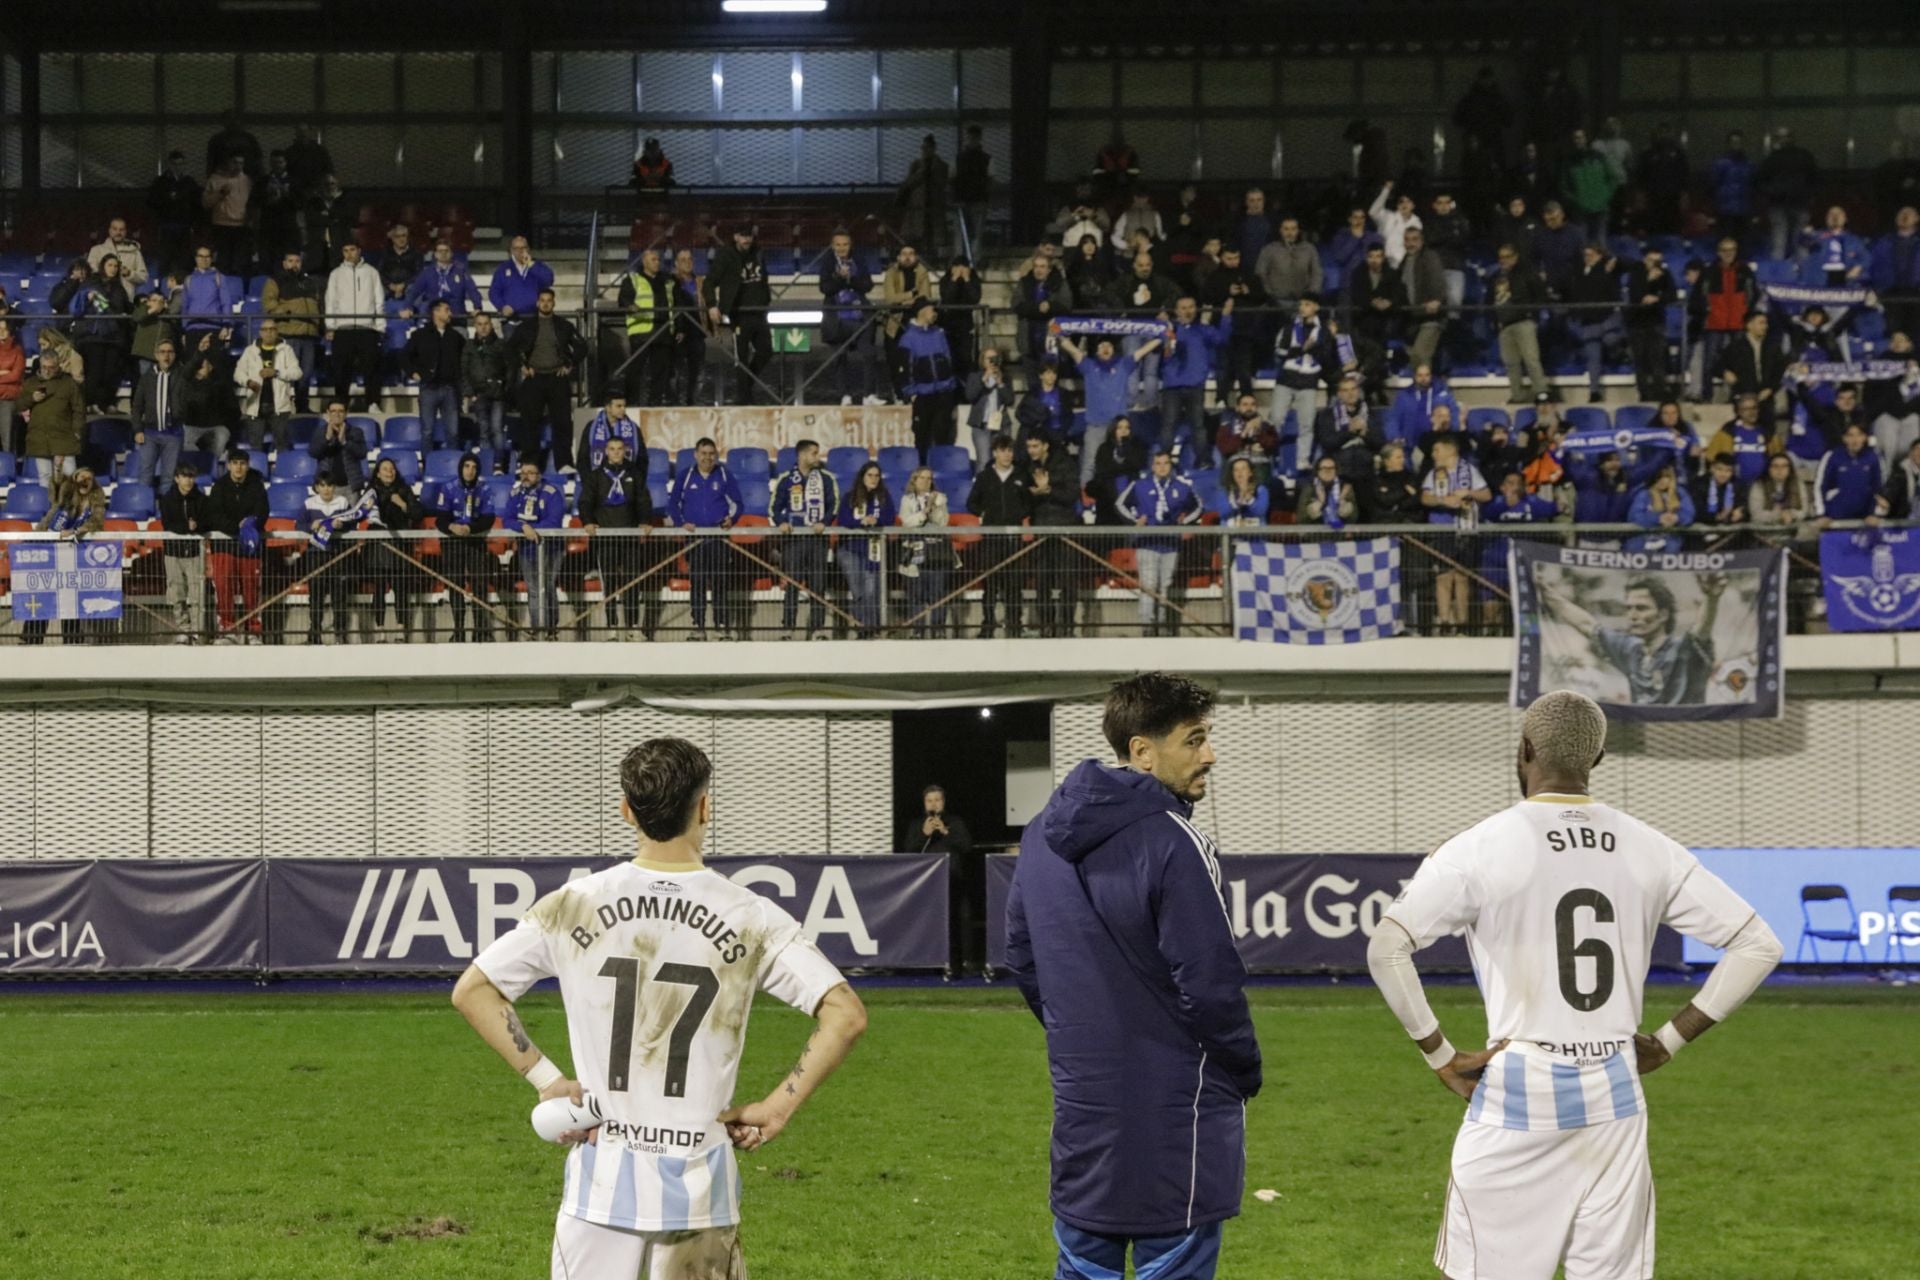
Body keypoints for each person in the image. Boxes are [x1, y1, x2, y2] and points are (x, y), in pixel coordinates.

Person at [1367, 688, 1781, 1280]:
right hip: (1614, 1093)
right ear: (1600, 756)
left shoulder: (1479, 847)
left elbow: (1387, 947)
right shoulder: (1649, 847)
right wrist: (1669, 1039)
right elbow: (1758, 943)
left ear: (1526, 747)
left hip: (1517, 1091)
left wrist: (1439, 1054)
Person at [452, 735, 865, 1280]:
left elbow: (473, 991)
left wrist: (547, 1079)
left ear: (627, 811)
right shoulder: (751, 915)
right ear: (704, 807)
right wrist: (778, 1106)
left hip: (600, 1193)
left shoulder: (572, 905)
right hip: (699, 1196)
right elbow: (845, 1013)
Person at [1007, 672, 1257, 1280]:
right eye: (1194, 740)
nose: (1209, 755)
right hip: (1176, 1109)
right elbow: (1209, 981)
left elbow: (1020, 953)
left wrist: (1078, 1029)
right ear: (1143, 751)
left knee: (1082, 1263)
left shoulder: (1040, 833)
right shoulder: (1174, 839)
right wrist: (1243, 1068)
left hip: (1083, 1103)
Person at [1117, 448, 1201, 637]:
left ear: (1171, 466)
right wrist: (1134, 521)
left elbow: (1198, 506)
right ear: (1152, 466)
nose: (1162, 467)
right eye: (1158, 463)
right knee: (1148, 585)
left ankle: (1163, 627)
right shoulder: (1139, 485)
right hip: (1146, 541)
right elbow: (1120, 503)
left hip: (1170, 543)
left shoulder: (1182, 487)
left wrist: (1185, 522)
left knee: (1165, 585)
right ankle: (1147, 627)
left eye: (1166, 463)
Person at [505, 288, 588, 473]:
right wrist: (522, 365)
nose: (545, 303)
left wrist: (570, 364)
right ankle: (529, 462)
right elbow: (510, 348)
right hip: (534, 379)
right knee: (529, 423)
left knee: (563, 422)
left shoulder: (564, 325)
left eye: (549, 300)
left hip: (557, 378)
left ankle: (564, 463)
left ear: (554, 303)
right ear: (537, 303)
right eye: (542, 300)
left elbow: (582, 347)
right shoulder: (526, 326)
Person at [578, 434, 652, 640]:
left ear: (625, 450)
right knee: (609, 583)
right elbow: (585, 502)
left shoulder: (635, 473)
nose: (616, 453)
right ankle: (611, 626)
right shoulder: (595, 475)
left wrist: (645, 520)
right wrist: (587, 521)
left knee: (632, 582)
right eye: (612, 449)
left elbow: (643, 499)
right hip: (606, 538)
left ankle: (633, 626)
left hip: (629, 537)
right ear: (606, 451)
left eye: (620, 449)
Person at [670, 438, 745, 642]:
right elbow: (673, 504)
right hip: (695, 541)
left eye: (711, 453)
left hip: (719, 540)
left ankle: (721, 626)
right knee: (698, 583)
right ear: (696, 454)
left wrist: (732, 520)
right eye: (703, 453)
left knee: (720, 583)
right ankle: (698, 626)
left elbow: (738, 503)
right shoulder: (685, 476)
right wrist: (682, 523)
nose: (707, 457)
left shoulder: (723, 474)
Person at [770, 440, 840, 641]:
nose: (818, 457)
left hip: (818, 541)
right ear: (801, 455)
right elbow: (774, 507)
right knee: (792, 585)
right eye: (814, 453)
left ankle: (817, 629)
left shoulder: (826, 478)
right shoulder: (786, 479)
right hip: (794, 540)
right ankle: (788, 629)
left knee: (818, 585)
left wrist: (825, 521)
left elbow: (833, 505)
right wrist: (781, 522)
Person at [1421, 434, 1490, 635]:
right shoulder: (1434, 473)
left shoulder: (1469, 471)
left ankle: (1462, 623)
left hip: (1466, 529)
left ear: (1450, 450)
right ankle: (1444, 622)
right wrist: (1443, 501)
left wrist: (1468, 493)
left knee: (1462, 577)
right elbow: (1425, 497)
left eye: (1437, 450)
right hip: (1442, 530)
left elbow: (1486, 494)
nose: (1433, 454)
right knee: (1443, 576)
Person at [966, 434, 1030, 638]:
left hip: (1013, 538)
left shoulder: (1021, 475)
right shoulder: (985, 477)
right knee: (990, 585)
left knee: (1014, 584)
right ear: (994, 453)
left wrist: (1018, 514)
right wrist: (983, 514)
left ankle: (1014, 625)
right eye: (1003, 450)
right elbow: (972, 503)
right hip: (992, 539)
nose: (1007, 455)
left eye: (1010, 450)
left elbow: (1029, 501)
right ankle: (988, 625)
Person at [203, 448, 269, 642]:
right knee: (224, 589)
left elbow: (263, 513)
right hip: (224, 548)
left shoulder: (257, 486)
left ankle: (253, 631)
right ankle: (226, 630)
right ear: (229, 465)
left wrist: (251, 525)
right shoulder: (219, 487)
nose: (239, 467)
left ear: (247, 466)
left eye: (242, 463)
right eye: (235, 463)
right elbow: (214, 516)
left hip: (250, 548)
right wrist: (237, 527)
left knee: (251, 590)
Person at [1160, 296, 1233, 470]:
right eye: (1183, 308)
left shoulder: (1204, 330)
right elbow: (1162, 352)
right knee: (1169, 425)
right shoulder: (1169, 329)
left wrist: (1225, 316)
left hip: (1195, 385)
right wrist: (1162, 328)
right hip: (1172, 385)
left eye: (1191, 307)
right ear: (1177, 311)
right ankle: (1163, 462)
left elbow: (1222, 339)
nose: (1187, 311)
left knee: (1198, 426)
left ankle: (1204, 461)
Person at [705, 226, 773, 405]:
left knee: (766, 351)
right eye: (743, 236)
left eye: (749, 236)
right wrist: (712, 305)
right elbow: (709, 282)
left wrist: (766, 299)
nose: (747, 240)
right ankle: (744, 399)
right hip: (739, 313)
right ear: (735, 236)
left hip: (759, 311)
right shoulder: (726, 255)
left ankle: (745, 388)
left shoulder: (758, 253)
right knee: (741, 358)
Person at [438, 452, 502, 643]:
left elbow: (488, 518)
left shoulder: (485, 489)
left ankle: (480, 630)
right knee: (455, 586)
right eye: (466, 466)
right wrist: (452, 527)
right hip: (452, 542)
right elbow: (441, 518)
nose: (470, 471)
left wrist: (469, 528)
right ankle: (459, 631)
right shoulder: (448, 487)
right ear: (461, 468)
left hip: (475, 541)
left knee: (479, 586)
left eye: (474, 467)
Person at [1022, 433, 1080, 638]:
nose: (1031, 450)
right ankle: (1047, 624)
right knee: (1042, 580)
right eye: (1029, 446)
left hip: (1064, 529)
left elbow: (1072, 494)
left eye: (1035, 445)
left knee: (1067, 580)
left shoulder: (1066, 464)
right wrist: (1032, 493)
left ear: (1045, 445)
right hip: (1041, 529)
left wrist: (1048, 490)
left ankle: (1067, 625)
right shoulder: (1029, 467)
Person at [504, 459, 565, 638]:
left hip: (551, 549)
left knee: (547, 586)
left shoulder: (552, 492)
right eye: (523, 473)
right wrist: (523, 527)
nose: (526, 476)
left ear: (539, 475)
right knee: (533, 588)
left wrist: (533, 528)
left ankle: (551, 628)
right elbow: (507, 519)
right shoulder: (515, 492)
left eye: (530, 472)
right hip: (526, 549)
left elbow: (554, 520)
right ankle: (538, 627)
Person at [896, 467, 957, 638]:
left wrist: (934, 506)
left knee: (937, 593)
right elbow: (907, 522)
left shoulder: (940, 499)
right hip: (914, 552)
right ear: (914, 480)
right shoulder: (907, 500)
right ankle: (918, 630)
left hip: (936, 550)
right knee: (916, 594)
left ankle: (938, 630)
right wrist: (924, 511)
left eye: (929, 478)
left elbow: (942, 522)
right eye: (922, 478)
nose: (926, 481)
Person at [325, 241, 385, 413]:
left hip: (367, 328)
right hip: (343, 328)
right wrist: (331, 326)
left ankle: (373, 403)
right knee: (341, 370)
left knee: (371, 368)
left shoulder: (371, 272)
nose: (349, 253)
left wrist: (379, 326)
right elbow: (331, 301)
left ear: (359, 250)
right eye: (345, 250)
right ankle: (341, 404)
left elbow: (378, 300)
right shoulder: (336, 274)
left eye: (352, 250)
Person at [817, 231, 876, 405]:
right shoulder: (827, 262)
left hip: (859, 315)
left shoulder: (859, 259)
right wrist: (839, 278)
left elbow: (867, 285)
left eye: (845, 244)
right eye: (838, 244)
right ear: (832, 246)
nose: (842, 248)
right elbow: (825, 288)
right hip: (837, 317)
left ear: (851, 245)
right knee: (840, 356)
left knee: (869, 354)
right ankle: (844, 395)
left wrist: (850, 279)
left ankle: (869, 394)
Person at [835, 462, 894, 636]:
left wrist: (876, 521)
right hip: (850, 549)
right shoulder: (850, 497)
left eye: (877, 476)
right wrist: (861, 522)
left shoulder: (884, 497)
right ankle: (863, 627)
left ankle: (870, 628)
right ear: (862, 477)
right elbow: (843, 520)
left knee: (871, 590)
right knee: (858, 590)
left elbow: (889, 517)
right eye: (870, 475)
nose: (874, 479)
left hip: (873, 549)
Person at [898, 298, 958, 464]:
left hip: (944, 392)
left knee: (943, 434)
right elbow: (906, 367)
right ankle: (922, 468)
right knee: (922, 435)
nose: (935, 313)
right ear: (922, 312)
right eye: (932, 310)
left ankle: (943, 469)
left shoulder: (939, 333)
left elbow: (948, 358)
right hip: (923, 395)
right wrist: (911, 392)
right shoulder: (908, 338)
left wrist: (949, 383)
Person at [300, 471, 357, 646]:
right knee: (316, 596)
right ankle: (315, 633)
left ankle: (340, 634)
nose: (326, 489)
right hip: (315, 555)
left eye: (329, 485)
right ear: (317, 487)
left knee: (339, 595)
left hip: (338, 554)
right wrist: (311, 525)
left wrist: (343, 524)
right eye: (322, 485)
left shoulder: (342, 502)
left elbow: (353, 522)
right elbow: (299, 524)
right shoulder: (309, 503)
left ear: (334, 487)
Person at [70, 257, 134, 413]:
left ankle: (108, 403)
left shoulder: (120, 288)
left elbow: (125, 308)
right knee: (95, 372)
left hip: (114, 338)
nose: (113, 268)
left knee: (111, 372)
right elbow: (77, 307)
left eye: (115, 266)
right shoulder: (90, 284)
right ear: (102, 266)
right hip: (94, 335)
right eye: (110, 265)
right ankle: (91, 403)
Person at [614, 247, 674, 406]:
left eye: (658, 260)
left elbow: (674, 304)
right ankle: (632, 402)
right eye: (653, 260)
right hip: (641, 331)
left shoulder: (666, 280)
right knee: (635, 370)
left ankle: (655, 403)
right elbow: (623, 300)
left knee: (660, 371)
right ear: (644, 261)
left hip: (663, 330)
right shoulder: (633, 279)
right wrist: (630, 305)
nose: (657, 263)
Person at [233, 317, 303, 452]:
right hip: (255, 405)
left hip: (279, 406)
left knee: (282, 446)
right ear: (260, 332)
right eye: (265, 330)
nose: (268, 333)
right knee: (255, 447)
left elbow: (297, 373)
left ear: (277, 332)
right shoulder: (250, 351)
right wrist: (248, 382)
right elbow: (238, 373)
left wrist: (276, 373)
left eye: (272, 329)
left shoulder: (286, 350)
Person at [404, 300, 465, 450]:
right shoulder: (420, 335)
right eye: (447, 309)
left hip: (449, 388)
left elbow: (464, 359)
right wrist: (413, 373)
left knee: (453, 432)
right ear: (436, 312)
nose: (450, 313)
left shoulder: (455, 337)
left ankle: (454, 465)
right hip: (428, 387)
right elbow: (405, 356)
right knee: (427, 431)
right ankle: (427, 467)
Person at [157, 462, 207, 641]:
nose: (188, 480)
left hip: (195, 553)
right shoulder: (167, 498)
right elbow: (168, 523)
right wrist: (188, 526)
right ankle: (183, 628)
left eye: (191, 476)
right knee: (176, 593)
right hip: (173, 552)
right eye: (185, 476)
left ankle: (196, 629)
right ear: (177, 478)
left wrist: (197, 525)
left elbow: (206, 522)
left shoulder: (201, 498)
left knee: (196, 594)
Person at [20, 349, 85, 479]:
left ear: (58, 366)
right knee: (45, 476)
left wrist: (77, 431)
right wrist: (32, 398)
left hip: (64, 436)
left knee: (69, 475)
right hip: (39, 437)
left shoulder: (68, 383)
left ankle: (66, 500)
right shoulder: (30, 383)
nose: (47, 371)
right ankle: (48, 500)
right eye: (44, 367)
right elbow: (19, 405)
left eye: (51, 367)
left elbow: (79, 409)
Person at [131, 338, 187, 488]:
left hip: (173, 434)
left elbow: (194, 366)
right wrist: (137, 430)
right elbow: (136, 407)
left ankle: (167, 511)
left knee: (169, 478)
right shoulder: (146, 378)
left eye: (170, 352)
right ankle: (143, 508)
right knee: (145, 475)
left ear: (175, 355)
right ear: (156, 355)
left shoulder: (181, 375)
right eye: (162, 352)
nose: (166, 356)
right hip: (150, 434)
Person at [1757, 126, 1819, 261]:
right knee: (1790, 243)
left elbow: (1761, 181)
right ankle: (1799, 277)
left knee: (1787, 243)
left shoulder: (1773, 158)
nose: (1782, 140)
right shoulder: (1803, 156)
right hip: (1787, 204)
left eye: (1784, 137)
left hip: (1789, 203)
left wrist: (1771, 193)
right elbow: (1814, 179)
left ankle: (1780, 277)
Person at [462, 312, 510, 462]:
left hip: (498, 394)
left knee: (497, 429)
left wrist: (505, 389)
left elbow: (510, 369)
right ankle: (486, 463)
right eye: (479, 324)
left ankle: (499, 463)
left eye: (486, 324)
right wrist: (470, 393)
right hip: (479, 394)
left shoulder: (501, 344)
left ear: (491, 325)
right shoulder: (469, 345)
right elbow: (464, 370)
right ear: (475, 326)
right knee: (483, 430)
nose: (483, 328)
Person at [1814, 422, 1884, 525]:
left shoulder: (1873, 458)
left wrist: (1875, 514)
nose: (1855, 440)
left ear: (1864, 437)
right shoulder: (1832, 456)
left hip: (1865, 520)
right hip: (1834, 519)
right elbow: (1820, 486)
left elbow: (1878, 488)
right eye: (1850, 435)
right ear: (1844, 438)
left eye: (1859, 435)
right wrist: (1821, 514)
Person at [145, 151, 200, 281]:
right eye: (175, 164)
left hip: (185, 227)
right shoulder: (160, 182)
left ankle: (184, 285)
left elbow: (197, 205)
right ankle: (162, 286)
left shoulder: (189, 182)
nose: (178, 167)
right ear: (169, 164)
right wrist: (167, 200)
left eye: (181, 164)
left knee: (184, 259)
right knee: (165, 259)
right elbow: (152, 203)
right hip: (166, 226)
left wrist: (193, 223)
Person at [897, 134, 951, 259]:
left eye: (928, 148)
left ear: (933, 149)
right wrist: (920, 173)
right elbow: (908, 183)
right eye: (923, 148)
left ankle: (932, 257)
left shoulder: (941, 166)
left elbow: (942, 184)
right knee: (917, 233)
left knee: (934, 233)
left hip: (934, 204)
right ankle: (918, 256)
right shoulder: (916, 165)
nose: (925, 151)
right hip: (918, 205)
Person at [670, 248, 712, 405]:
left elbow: (709, 304)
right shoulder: (671, 282)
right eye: (683, 260)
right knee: (677, 371)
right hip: (678, 332)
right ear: (676, 263)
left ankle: (692, 400)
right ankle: (676, 401)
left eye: (690, 259)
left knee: (697, 370)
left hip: (697, 332)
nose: (687, 263)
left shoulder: (700, 282)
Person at [1626, 462, 1695, 552]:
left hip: (1671, 546)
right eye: (1659, 477)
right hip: (1642, 545)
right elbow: (1634, 516)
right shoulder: (1643, 494)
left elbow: (1689, 514)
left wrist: (1677, 518)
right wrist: (1657, 518)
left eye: (1666, 477)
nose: (1662, 480)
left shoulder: (1680, 493)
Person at [202, 154, 251, 276]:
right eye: (235, 162)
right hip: (222, 226)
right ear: (227, 163)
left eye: (241, 163)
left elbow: (253, 204)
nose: (238, 166)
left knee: (240, 263)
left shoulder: (247, 181)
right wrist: (220, 194)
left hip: (242, 226)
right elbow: (205, 203)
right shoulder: (215, 179)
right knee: (223, 262)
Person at [488, 236, 553, 325]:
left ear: (528, 249)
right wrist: (502, 306)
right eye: (516, 248)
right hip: (511, 321)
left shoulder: (537, 265)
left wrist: (531, 265)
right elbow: (494, 292)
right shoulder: (503, 268)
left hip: (535, 320)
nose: (520, 251)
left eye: (523, 248)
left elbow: (549, 280)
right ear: (511, 250)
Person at [307, 400, 368, 494]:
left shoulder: (355, 432)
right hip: (327, 486)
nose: (337, 414)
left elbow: (362, 453)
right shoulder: (320, 432)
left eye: (341, 411)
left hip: (350, 486)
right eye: (333, 411)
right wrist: (327, 438)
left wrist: (345, 442)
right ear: (328, 413)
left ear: (346, 413)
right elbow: (313, 452)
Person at [1710, 132, 1756, 248]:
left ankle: (1741, 264)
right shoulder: (1720, 164)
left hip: (1744, 208)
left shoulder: (1749, 164)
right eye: (1734, 142)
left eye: (1739, 142)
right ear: (1728, 144)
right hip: (1725, 209)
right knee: (1725, 242)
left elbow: (1753, 186)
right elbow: (1712, 185)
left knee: (1743, 242)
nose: (1737, 145)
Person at [953, 125, 991, 251]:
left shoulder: (959, 159)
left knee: (963, 233)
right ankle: (972, 259)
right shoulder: (986, 159)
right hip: (978, 200)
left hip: (967, 200)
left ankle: (962, 259)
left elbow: (952, 179)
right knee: (976, 233)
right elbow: (990, 180)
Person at [1369, 181, 1422, 267]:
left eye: (1408, 201)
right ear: (1397, 205)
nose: (1404, 204)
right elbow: (1373, 212)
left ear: (1413, 205)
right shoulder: (1388, 217)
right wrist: (1386, 190)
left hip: (1407, 265)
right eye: (1401, 202)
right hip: (1386, 263)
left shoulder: (1417, 223)